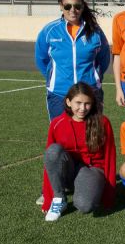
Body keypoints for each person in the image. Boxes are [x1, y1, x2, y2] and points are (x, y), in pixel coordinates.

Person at [41, 83, 116, 221]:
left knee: (85, 205)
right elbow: (50, 162)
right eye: (78, 103)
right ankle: (59, 199)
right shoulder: (57, 123)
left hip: (91, 169)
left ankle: (81, 187)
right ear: (68, 102)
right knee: (53, 151)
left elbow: (110, 157)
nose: (82, 108)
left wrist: (108, 196)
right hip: (68, 169)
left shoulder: (102, 122)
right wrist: (48, 198)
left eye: (87, 103)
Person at [35, 0, 110, 121]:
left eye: (77, 6)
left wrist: (95, 77)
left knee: (91, 136)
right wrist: (54, 78)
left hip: (90, 93)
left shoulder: (95, 31)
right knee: (61, 137)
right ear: (61, 6)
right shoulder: (50, 31)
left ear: (82, 6)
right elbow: (42, 59)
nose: (72, 10)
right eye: (68, 6)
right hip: (59, 94)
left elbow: (103, 59)